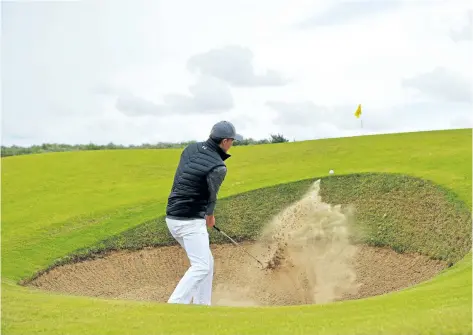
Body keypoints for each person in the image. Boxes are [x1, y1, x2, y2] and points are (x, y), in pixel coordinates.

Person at [165, 120, 243, 305]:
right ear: (224, 141)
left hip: (172, 216)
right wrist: (209, 215)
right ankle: (174, 305)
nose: (232, 144)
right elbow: (212, 194)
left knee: (207, 262)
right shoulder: (218, 167)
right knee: (201, 266)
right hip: (189, 221)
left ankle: (202, 306)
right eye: (232, 141)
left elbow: (182, 179)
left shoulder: (190, 149)